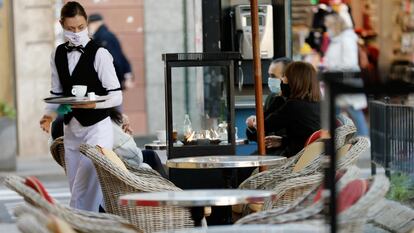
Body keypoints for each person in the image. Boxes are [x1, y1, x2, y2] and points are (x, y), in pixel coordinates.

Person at [39, 1, 122, 212]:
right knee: (78, 188)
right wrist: (48, 115)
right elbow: (57, 92)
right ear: (61, 24)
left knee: (82, 193)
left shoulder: (100, 54)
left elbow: (116, 96)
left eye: (81, 27)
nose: (76, 33)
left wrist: (94, 104)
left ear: (86, 24)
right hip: (71, 130)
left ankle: (74, 225)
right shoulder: (57, 54)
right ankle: (97, 224)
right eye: (70, 28)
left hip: (97, 131)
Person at [323, 12, 369, 136]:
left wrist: (332, 68)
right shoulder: (337, 40)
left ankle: (363, 138)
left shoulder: (347, 39)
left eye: (328, 26)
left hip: (347, 79)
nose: (327, 29)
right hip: (337, 80)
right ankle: (336, 138)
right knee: (336, 111)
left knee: (353, 109)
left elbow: (349, 62)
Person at [264, 61, 321, 157]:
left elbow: (264, 126)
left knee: (249, 170)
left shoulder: (293, 105)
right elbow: (306, 137)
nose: (282, 80)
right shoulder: (320, 104)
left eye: (285, 77)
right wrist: (284, 141)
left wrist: (279, 98)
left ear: (294, 81)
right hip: (312, 161)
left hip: (293, 164)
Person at [245, 57, 292, 144]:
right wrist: (252, 126)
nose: (270, 80)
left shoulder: (294, 102)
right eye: (269, 76)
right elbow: (257, 135)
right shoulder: (272, 98)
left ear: (286, 78)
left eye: (273, 76)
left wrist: (282, 141)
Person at [88, 13, 134, 90]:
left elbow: (115, 59)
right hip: (112, 80)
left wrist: (121, 78)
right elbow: (121, 56)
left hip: (108, 81)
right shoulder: (108, 35)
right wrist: (126, 75)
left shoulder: (103, 38)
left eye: (89, 24)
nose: (88, 27)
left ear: (95, 23)